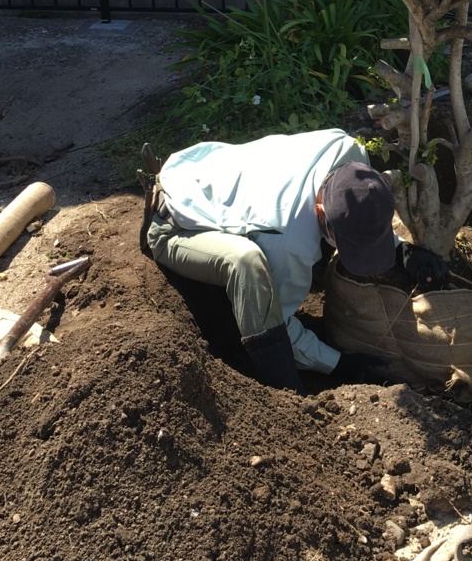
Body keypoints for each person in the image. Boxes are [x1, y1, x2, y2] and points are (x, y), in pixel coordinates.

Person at [145, 127, 439, 392]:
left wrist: (403, 250)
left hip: (202, 169)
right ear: (321, 212)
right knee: (246, 263)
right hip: (174, 220)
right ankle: (284, 391)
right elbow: (280, 323)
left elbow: (359, 211)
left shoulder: (351, 154)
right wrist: (337, 365)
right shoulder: (287, 243)